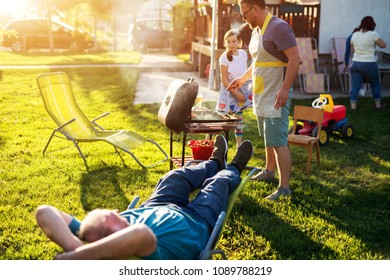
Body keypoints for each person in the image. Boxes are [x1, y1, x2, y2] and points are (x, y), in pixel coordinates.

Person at [35, 135, 253, 260]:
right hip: (196, 222)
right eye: (110, 214)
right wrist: (77, 260)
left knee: (176, 176)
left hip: (158, 205)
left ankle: (214, 163)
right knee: (218, 184)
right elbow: (141, 234)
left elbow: (44, 212)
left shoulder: (91, 238)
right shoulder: (141, 254)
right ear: (109, 230)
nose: (115, 211)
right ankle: (233, 168)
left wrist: (74, 247)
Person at [227, 0, 301, 200]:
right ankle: (269, 171)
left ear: (255, 8)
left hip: (277, 93)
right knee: (268, 137)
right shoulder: (257, 31)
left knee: (278, 141)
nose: (243, 18)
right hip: (262, 92)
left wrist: (285, 89)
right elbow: (260, 62)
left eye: (244, 14)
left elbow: (295, 59)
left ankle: (284, 188)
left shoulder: (279, 28)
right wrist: (242, 79)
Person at [216, 29, 253, 149]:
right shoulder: (224, 57)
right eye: (228, 42)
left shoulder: (243, 54)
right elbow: (224, 80)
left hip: (241, 89)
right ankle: (209, 141)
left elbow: (244, 73)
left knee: (238, 119)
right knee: (220, 117)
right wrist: (236, 94)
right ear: (225, 43)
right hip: (228, 92)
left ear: (239, 42)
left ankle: (238, 146)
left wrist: (242, 92)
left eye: (233, 41)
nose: (231, 44)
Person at [349, 16, 387, 110]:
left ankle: (353, 106)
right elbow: (384, 45)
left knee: (356, 85)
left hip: (355, 63)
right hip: (369, 63)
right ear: (372, 24)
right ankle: (377, 105)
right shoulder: (373, 34)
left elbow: (352, 51)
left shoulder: (355, 34)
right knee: (375, 84)